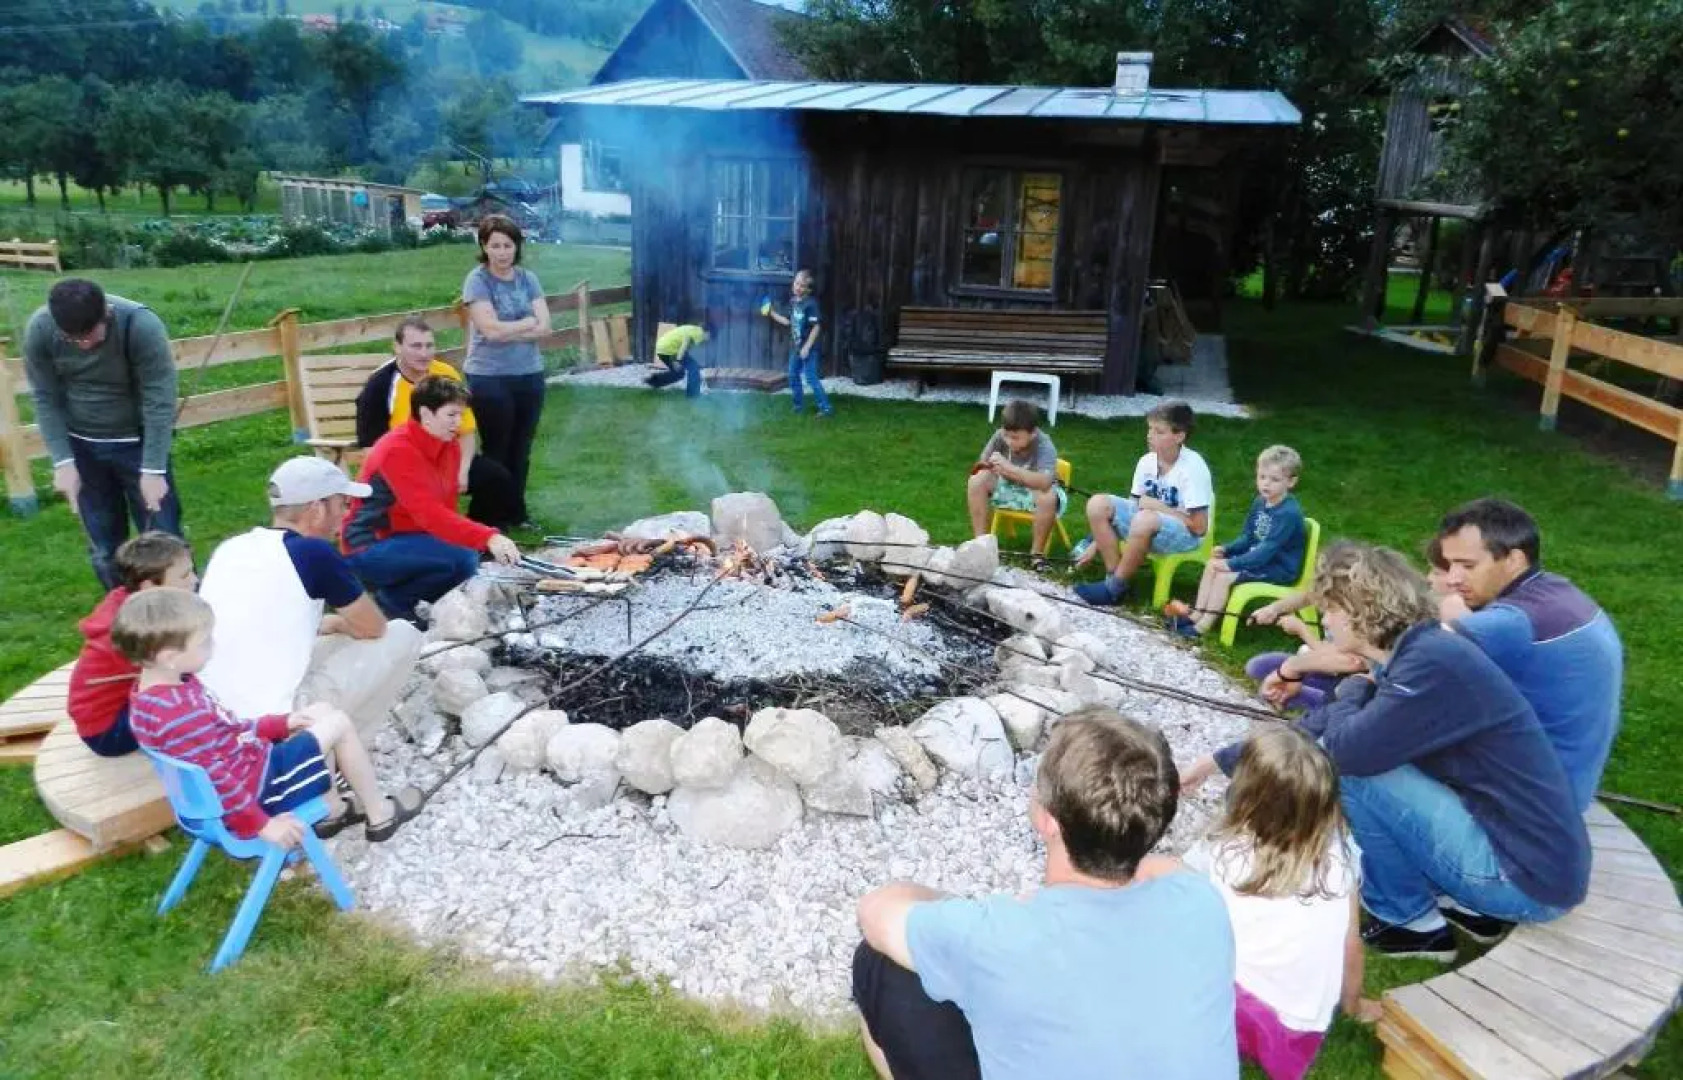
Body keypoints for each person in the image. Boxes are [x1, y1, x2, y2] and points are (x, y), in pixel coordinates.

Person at [1181, 544, 1591, 961]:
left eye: (1329, 609)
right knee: (1365, 753)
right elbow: (1324, 726)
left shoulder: (1427, 667)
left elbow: (1338, 753)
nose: (1324, 619)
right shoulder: (1420, 651)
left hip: (1524, 878)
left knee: (1350, 773)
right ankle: (1458, 902)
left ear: (1359, 611)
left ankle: (1409, 921)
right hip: (1530, 856)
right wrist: (1220, 761)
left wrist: (1352, 687)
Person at [852, 707, 1238, 1080]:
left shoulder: (1000, 937)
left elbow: (875, 911)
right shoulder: (1200, 901)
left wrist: (958, 907)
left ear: (1048, 818)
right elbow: (1166, 865)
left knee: (880, 964)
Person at [115, 588, 424, 845]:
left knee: (319, 714)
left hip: (247, 772)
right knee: (338, 722)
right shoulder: (179, 713)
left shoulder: (157, 696)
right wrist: (261, 825)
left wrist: (278, 724)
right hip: (261, 790)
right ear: (169, 658)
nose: (213, 646)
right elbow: (217, 776)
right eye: (205, 642)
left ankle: (331, 810)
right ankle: (381, 814)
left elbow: (224, 729)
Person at [1178, 727, 1379, 1080]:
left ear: (1245, 795)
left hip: (1224, 1005)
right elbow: (1351, 945)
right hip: (1297, 1027)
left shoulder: (1223, 850)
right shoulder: (1340, 860)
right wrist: (1353, 1004)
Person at [197, 456, 422, 741]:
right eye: (342, 504)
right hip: (276, 721)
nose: (346, 514)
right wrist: (340, 624)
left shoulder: (232, 548)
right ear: (317, 509)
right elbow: (374, 628)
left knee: (336, 639)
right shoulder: (313, 553)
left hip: (216, 713)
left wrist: (327, 624)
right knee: (403, 634)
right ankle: (345, 745)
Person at [1435, 498, 1622, 818]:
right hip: (1567, 780)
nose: (1452, 579)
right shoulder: (1557, 593)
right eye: (1449, 564)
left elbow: (1404, 664)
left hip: (1528, 802)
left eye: (1467, 566)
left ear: (1514, 560)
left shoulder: (1512, 622)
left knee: (1358, 761)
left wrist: (1452, 619)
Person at [24, 278, 184, 589]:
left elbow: (159, 399)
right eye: (73, 340)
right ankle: (124, 618)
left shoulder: (140, 325)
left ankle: (181, 616)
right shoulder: (42, 329)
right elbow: (45, 397)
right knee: (105, 549)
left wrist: (154, 468)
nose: (83, 345)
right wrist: (63, 462)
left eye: (90, 335)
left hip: (136, 443)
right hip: (82, 446)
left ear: (106, 313)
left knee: (165, 540)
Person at [343, 376, 521, 621]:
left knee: (462, 558)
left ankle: (404, 603)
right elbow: (429, 514)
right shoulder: (397, 450)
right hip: (367, 545)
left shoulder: (448, 445)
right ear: (426, 414)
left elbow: (445, 508)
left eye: (461, 415)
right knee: (463, 559)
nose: (458, 423)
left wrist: (473, 539)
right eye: (451, 415)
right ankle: (393, 606)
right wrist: (488, 536)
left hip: (408, 537)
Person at [353, 316, 520, 529]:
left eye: (429, 346)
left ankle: (480, 535)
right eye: (416, 346)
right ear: (397, 347)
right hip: (402, 464)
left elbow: (466, 431)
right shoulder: (380, 385)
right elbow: (371, 449)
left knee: (496, 477)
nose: (424, 354)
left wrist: (462, 469)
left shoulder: (445, 374)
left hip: (447, 457)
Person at [68, 532, 196, 757]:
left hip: (119, 705)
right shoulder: (136, 628)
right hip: (107, 731)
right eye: (185, 576)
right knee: (195, 698)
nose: (194, 580)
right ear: (149, 586)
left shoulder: (138, 603)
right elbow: (173, 672)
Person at [1074, 401, 1212, 606]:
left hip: (1185, 535)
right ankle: (1113, 580)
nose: (1150, 435)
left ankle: (1113, 590)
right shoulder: (1146, 461)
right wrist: (1095, 543)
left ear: (1179, 436)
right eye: (1149, 429)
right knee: (1097, 504)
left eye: (1159, 431)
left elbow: (1200, 528)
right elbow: (1131, 509)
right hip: (1146, 525)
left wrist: (1158, 507)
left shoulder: (1193, 468)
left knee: (1144, 518)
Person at [461, 214, 550, 526]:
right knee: (497, 448)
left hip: (529, 374)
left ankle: (517, 513)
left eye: (507, 245)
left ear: (517, 246)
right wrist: (526, 324)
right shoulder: (478, 281)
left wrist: (510, 328)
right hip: (489, 377)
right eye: (495, 245)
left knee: (521, 449)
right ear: (484, 246)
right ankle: (490, 516)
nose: (502, 252)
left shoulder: (529, 279)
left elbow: (546, 327)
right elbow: (490, 331)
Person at [1171, 445, 1307, 639]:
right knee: (1212, 565)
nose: (1266, 484)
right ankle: (1195, 615)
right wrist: (1228, 549)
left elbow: (1267, 550)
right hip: (1260, 559)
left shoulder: (1288, 513)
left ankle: (1202, 628)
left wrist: (1232, 564)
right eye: (1262, 477)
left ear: (1291, 482)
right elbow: (1248, 536)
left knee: (1224, 576)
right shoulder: (1260, 502)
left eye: (1275, 479)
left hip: (1278, 567)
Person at [966, 399, 1064, 567]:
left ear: (1032, 433)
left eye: (1016, 438)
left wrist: (1009, 468)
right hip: (1006, 486)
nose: (1010, 441)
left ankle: (1037, 555)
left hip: (1035, 491)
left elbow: (1045, 483)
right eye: (1007, 436)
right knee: (976, 481)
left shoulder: (1044, 444)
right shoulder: (1000, 437)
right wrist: (989, 466)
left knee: (1047, 497)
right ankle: (981, 546)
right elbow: (980, 464)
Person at [765, 269, 832, 417]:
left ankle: (826, 408)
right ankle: (798, 406)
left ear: (808, 289)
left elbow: (817, 327)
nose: (798, 287)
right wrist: (772, 313)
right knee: (793, 375)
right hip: (796, 347)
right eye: (796, 283)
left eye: (802, 286)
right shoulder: (794, 301)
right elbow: (788, 321)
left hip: (809, 348)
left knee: (811, 377)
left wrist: (807, 347)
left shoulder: (811, 304)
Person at [645, 321, 710, 399]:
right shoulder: (699, 335)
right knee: (693, 368)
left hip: (662, 347)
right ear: (707, 333)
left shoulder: (694, 329)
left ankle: (653, 381)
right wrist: (677, 361)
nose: (709, 339)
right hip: (669, 350)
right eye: (710, 336)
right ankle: (693, 395)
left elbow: (685, 346)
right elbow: (684, 346)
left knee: (679, 373)